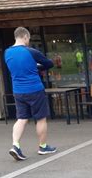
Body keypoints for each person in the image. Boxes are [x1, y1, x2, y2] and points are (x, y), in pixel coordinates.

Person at [5, 27, 56, 161]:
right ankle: (43, 147)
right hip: (34, 89)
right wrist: (37, 66)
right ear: (25, 37)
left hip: (18, 91)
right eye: (28, 39)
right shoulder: (31, 52)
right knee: (40, 118)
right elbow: (49, 64)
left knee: (21, 119)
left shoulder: (7, 52)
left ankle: (15, 145)